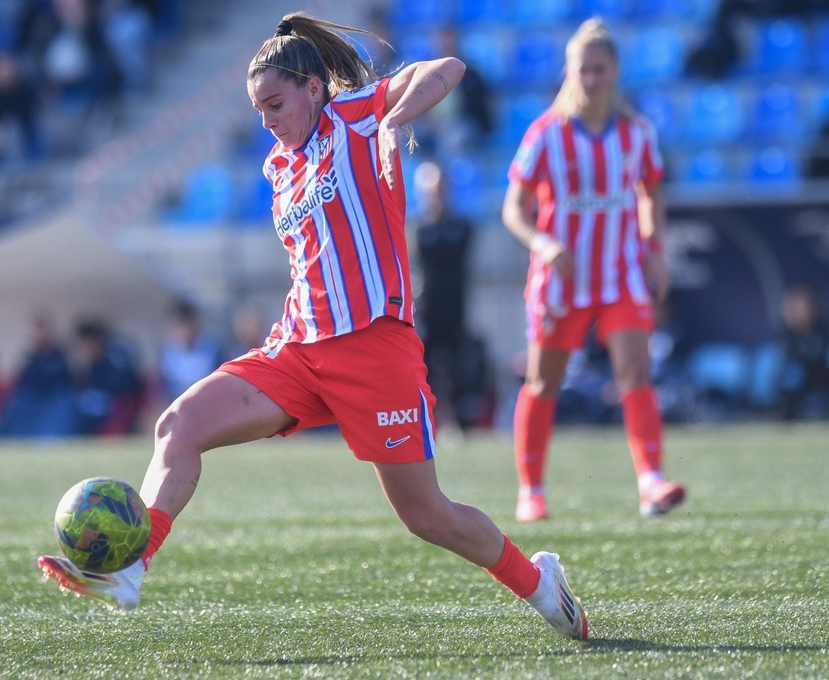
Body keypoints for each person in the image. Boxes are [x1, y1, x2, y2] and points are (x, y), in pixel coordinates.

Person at [38, 12, 588, 642]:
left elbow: (448, 70)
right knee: (178, 424)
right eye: (258, 110)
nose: (267, 120)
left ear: (314, 88)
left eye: (275, 103)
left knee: (426, 515)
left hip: (375, 349)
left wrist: (392, 119)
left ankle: (539, 581)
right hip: (296, 350)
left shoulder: (355, 116)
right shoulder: (278, 168)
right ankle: (132, 566)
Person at [500, 19, 686, 522]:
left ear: (616, 72)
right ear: (569, 72)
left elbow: (651, 193)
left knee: (636, 372)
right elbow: (512, 208)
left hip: (619, 275)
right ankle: (531, 489)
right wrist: (542, 241)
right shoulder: (546, 134)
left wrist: (653, 248)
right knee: (544, 383)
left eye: (599, 70)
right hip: (561, 280)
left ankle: (650, 482)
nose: (591, 80)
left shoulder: (637, 133)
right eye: (583, 70)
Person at [411, 159, 474, 433]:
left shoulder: (460, 227)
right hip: (426, 310)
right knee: (426, 368)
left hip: (454, 309)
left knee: (457, 368)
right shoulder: (417, 228)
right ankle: (431, 421)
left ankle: (458, 422)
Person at [775, 284, 829, 420]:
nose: (793, 311)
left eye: (798, 306)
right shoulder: (785, 337)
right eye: (790, 307)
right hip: (797, 394)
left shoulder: (823, 333)